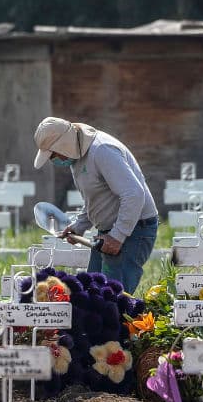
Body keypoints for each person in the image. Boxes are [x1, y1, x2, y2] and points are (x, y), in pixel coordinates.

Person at [32, 116, 158, 294]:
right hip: (109, 232)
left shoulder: (102, 151)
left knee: (112, 300)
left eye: (53, 154)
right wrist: (79, 225)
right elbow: (96, 197)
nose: (53, 160)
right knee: (91, 292)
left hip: (133, 230)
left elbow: (134, 194)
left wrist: (118, 235)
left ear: (64, 144)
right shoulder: (76, 156)